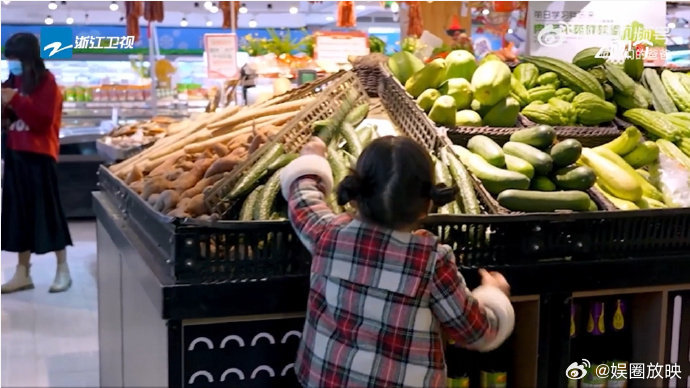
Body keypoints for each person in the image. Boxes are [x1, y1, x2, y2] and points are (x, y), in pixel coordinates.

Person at [279, 136, 514, 387]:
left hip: (323, 380)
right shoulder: (431, 261)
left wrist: (311, 158)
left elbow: (302, 199)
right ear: (428, 204)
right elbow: (476, 332)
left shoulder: (328, 233)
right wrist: (494, 295)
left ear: (356, 195)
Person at [1, 33, 72, 294]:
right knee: (18, 216)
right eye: (8, 57)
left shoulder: (46, 82)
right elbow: (8, 122)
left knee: (48, 214)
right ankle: (22, 272)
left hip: (40, 157)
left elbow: (42, 120)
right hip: (15, 155)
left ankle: (63, 269)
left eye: (15, 57)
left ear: (28, 56)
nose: (11, 62)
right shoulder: (12, 82)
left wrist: (15, 100)